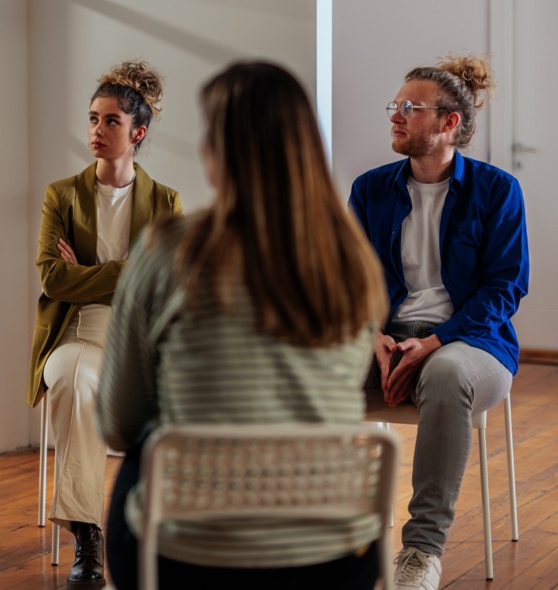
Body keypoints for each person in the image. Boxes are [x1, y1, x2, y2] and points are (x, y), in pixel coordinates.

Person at [98, 61, 388, 590]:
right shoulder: (352, 262)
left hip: (189, 557)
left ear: (218, 151)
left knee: (142, 454)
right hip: (334, 559)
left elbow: (119, 422)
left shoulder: (169, 250)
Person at [349, 54, 529, 590]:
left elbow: (505, 288)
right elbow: (350, 280)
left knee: (447, 373)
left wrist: (435, 342)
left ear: (449, 122)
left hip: (472, 343)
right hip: (385, 338)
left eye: (411, 108)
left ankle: (421, 552)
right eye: (395, 105)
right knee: (308, 364)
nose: (395, 115)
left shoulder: (498, 190)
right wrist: (373, 337)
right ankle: (323, 538)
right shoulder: (369, 189)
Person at [26, 61, 182, 589]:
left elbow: (165, 286)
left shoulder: (166, 202)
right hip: (79, 332)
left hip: (142, 338)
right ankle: (88, 535)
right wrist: (128, 270)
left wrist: (88, 274)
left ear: (138, 132)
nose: (97, 129)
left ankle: (176, 533)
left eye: (112, 120)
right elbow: (53, 280)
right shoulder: (61, 195)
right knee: (74, 382)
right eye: (93, 118)